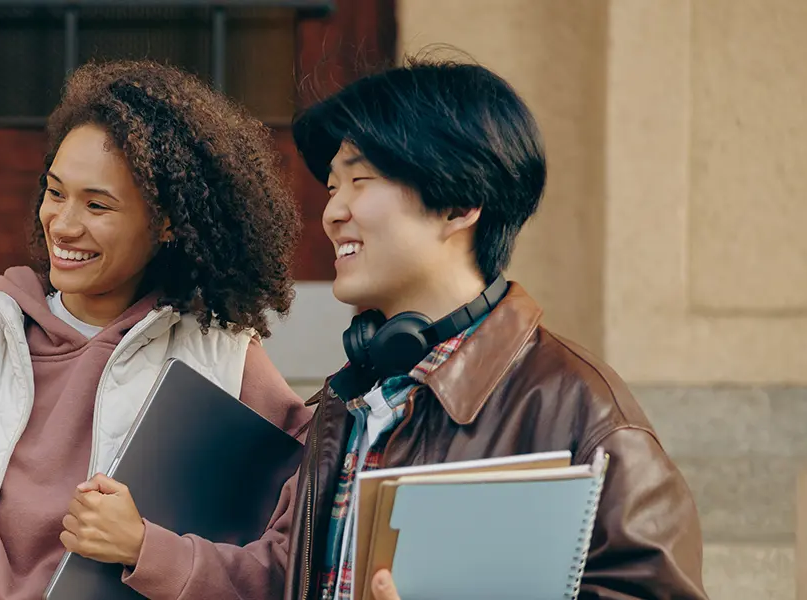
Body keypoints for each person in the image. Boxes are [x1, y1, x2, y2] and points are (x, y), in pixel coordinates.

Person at [0, 60, 312, 600]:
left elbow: (301, 554)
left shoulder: (224, 357)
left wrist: (148, 548)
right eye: (55, 192)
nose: (62, 223)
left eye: (97, 204)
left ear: (168, 223)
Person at [288, 58, 707, 599]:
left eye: (360, 180)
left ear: (459, 203)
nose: (332, 212)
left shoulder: (581, 412)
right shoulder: (348, 398)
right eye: (330, 186)